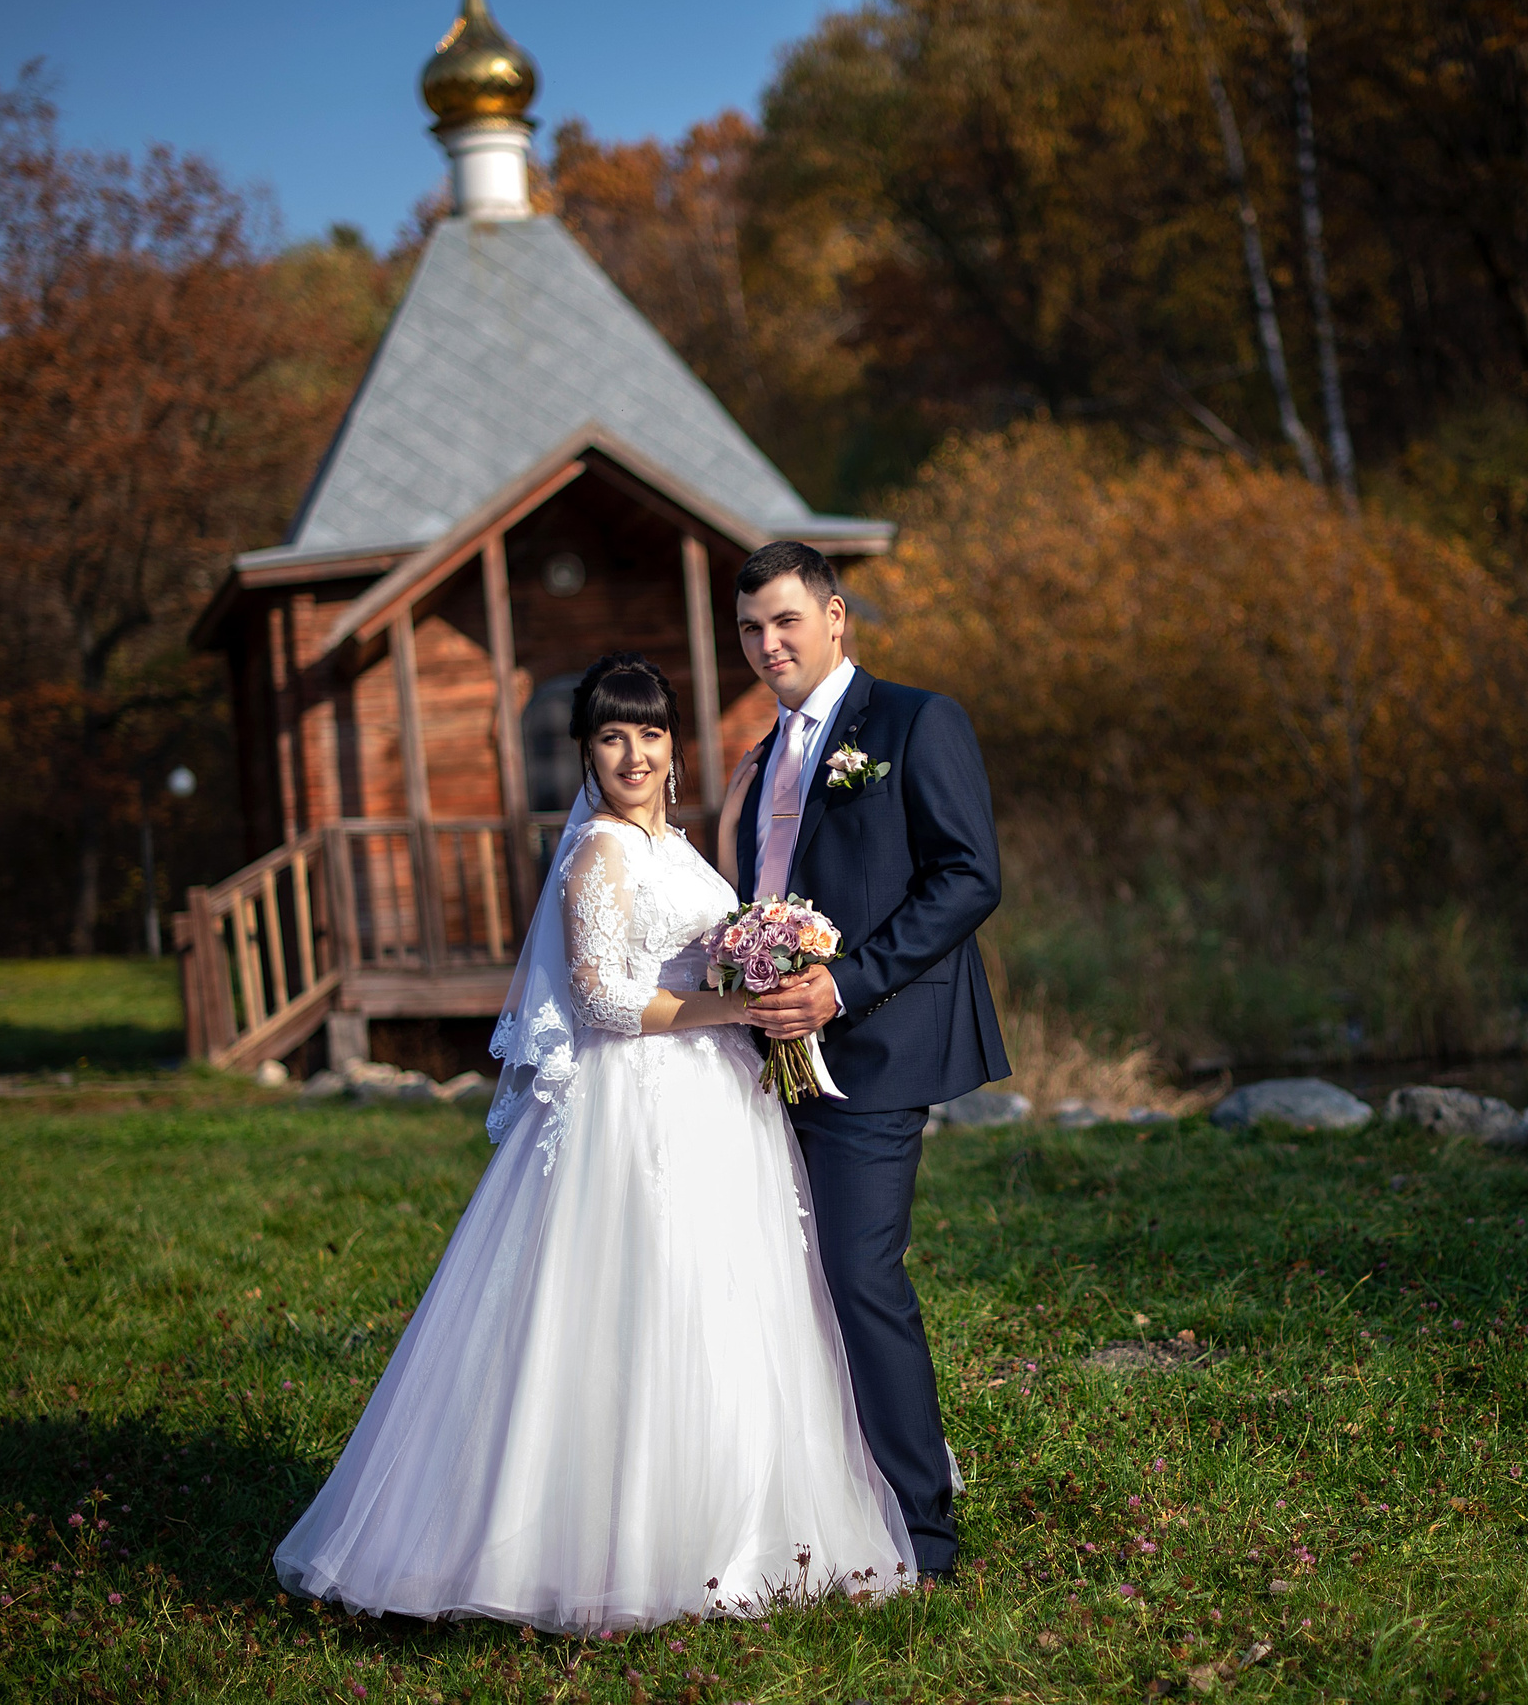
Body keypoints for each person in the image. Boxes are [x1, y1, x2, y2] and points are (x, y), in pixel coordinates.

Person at [273, 655, 914, 1634]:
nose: (633, 753)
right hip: (638, 1100)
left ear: (672, 746)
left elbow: (704, 938)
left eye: (649, 733)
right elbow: (605, 999)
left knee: (729, 1300)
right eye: (612, 736)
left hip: (714, 1096)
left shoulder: (678, 849)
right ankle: (596, 1542)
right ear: (585, 752)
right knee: (636, 1301)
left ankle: (736, 1526)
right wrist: (731, 1004)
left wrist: (765, 957)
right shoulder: (599, 854)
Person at [720, 541, 1009, 1583]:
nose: (769, 644)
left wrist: (844, 983)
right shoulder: (764, 754)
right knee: (778, 1282)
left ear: (836, 617)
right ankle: (805, 1501)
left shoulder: (916, 722)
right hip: (769, 1060)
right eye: (752, 628)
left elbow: (970, 876)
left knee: (857, 1274)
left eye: (787, 621)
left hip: (876, 1047)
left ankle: (923, 1530)